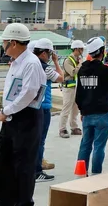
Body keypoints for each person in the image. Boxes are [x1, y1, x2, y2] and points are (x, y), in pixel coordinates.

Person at [0, 23, 46, 206]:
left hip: (25, 119)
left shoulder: (31, 63)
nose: (3, 46)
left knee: (23, 166)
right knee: (5, 165)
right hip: (11, 119)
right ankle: (6, 201)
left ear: (13, 43)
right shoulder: (16, 63)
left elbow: (29, 93)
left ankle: (22, 202)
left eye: (5, 42)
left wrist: (6, 111)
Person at [75, 37, 108, 175]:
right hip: (102, 114)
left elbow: (79, 94)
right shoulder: (104, 70)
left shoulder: (82, 69)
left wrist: (82, 110)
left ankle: (81, 172)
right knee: (98, 146)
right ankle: (96, 174)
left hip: (87, 114)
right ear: (102, 51)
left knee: (85, 144)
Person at [31, 38, 63, 182]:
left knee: (32, 140)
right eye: (50, 54)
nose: (50, 56)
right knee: (40, 140)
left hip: (32, 106)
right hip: (43, 107)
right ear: (43, 53)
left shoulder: (30, 64)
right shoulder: (45, 67)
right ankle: (37, 171)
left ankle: (31, 169)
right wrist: (56, 62)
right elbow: (61, 78)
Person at [59, 39, 84, 138]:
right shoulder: (68, 60)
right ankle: (62, 129)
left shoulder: (78, 59)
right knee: (66, 108)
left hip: (77, 88)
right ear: (77, 49)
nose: (82, 51)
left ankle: (74, 127)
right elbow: (73, 72)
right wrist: (80, 64)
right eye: (81, 49)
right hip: (69, 88)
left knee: (75, 109)